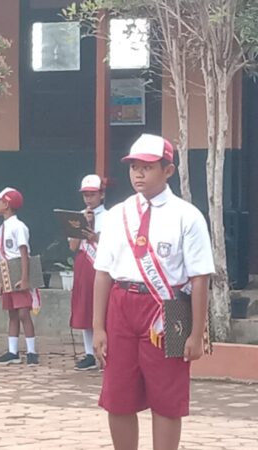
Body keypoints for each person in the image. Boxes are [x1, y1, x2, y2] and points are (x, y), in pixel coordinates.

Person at [93, 134, 214, 450]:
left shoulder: (188, 216)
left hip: (170, 309)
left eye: (147, 167)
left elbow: (200, 278)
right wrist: (97, 327)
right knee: (118, 395)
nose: (138, 174)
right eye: (134, 166)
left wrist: (196, 333)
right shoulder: (117, 214)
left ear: (168, 170)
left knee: (167, 396)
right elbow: (103, 271)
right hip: (121, 305)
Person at [0, 187, 40, 365]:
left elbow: (23, 253)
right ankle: (12, 351)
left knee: (23, 313)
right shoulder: (2, 227)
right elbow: (1, 256)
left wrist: (25, 278)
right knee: (12, 313)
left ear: (6, 204)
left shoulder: (19, 227)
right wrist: (0, 280)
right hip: (7, 272)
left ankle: (32, 351)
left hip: (18, 270)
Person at [68, 174, 107, 370]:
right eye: (85, 195)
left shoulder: (109, 216)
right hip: (83, 264)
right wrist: (83, 223)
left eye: (92, 194)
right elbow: (73, 246)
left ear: (101, 194)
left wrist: (94, 235)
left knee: (102, 308)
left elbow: (110, 245)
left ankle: (106, 350)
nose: (89, 199)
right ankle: (89, 353)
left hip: (100, 265)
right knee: (84, 307)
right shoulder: (78, 215)